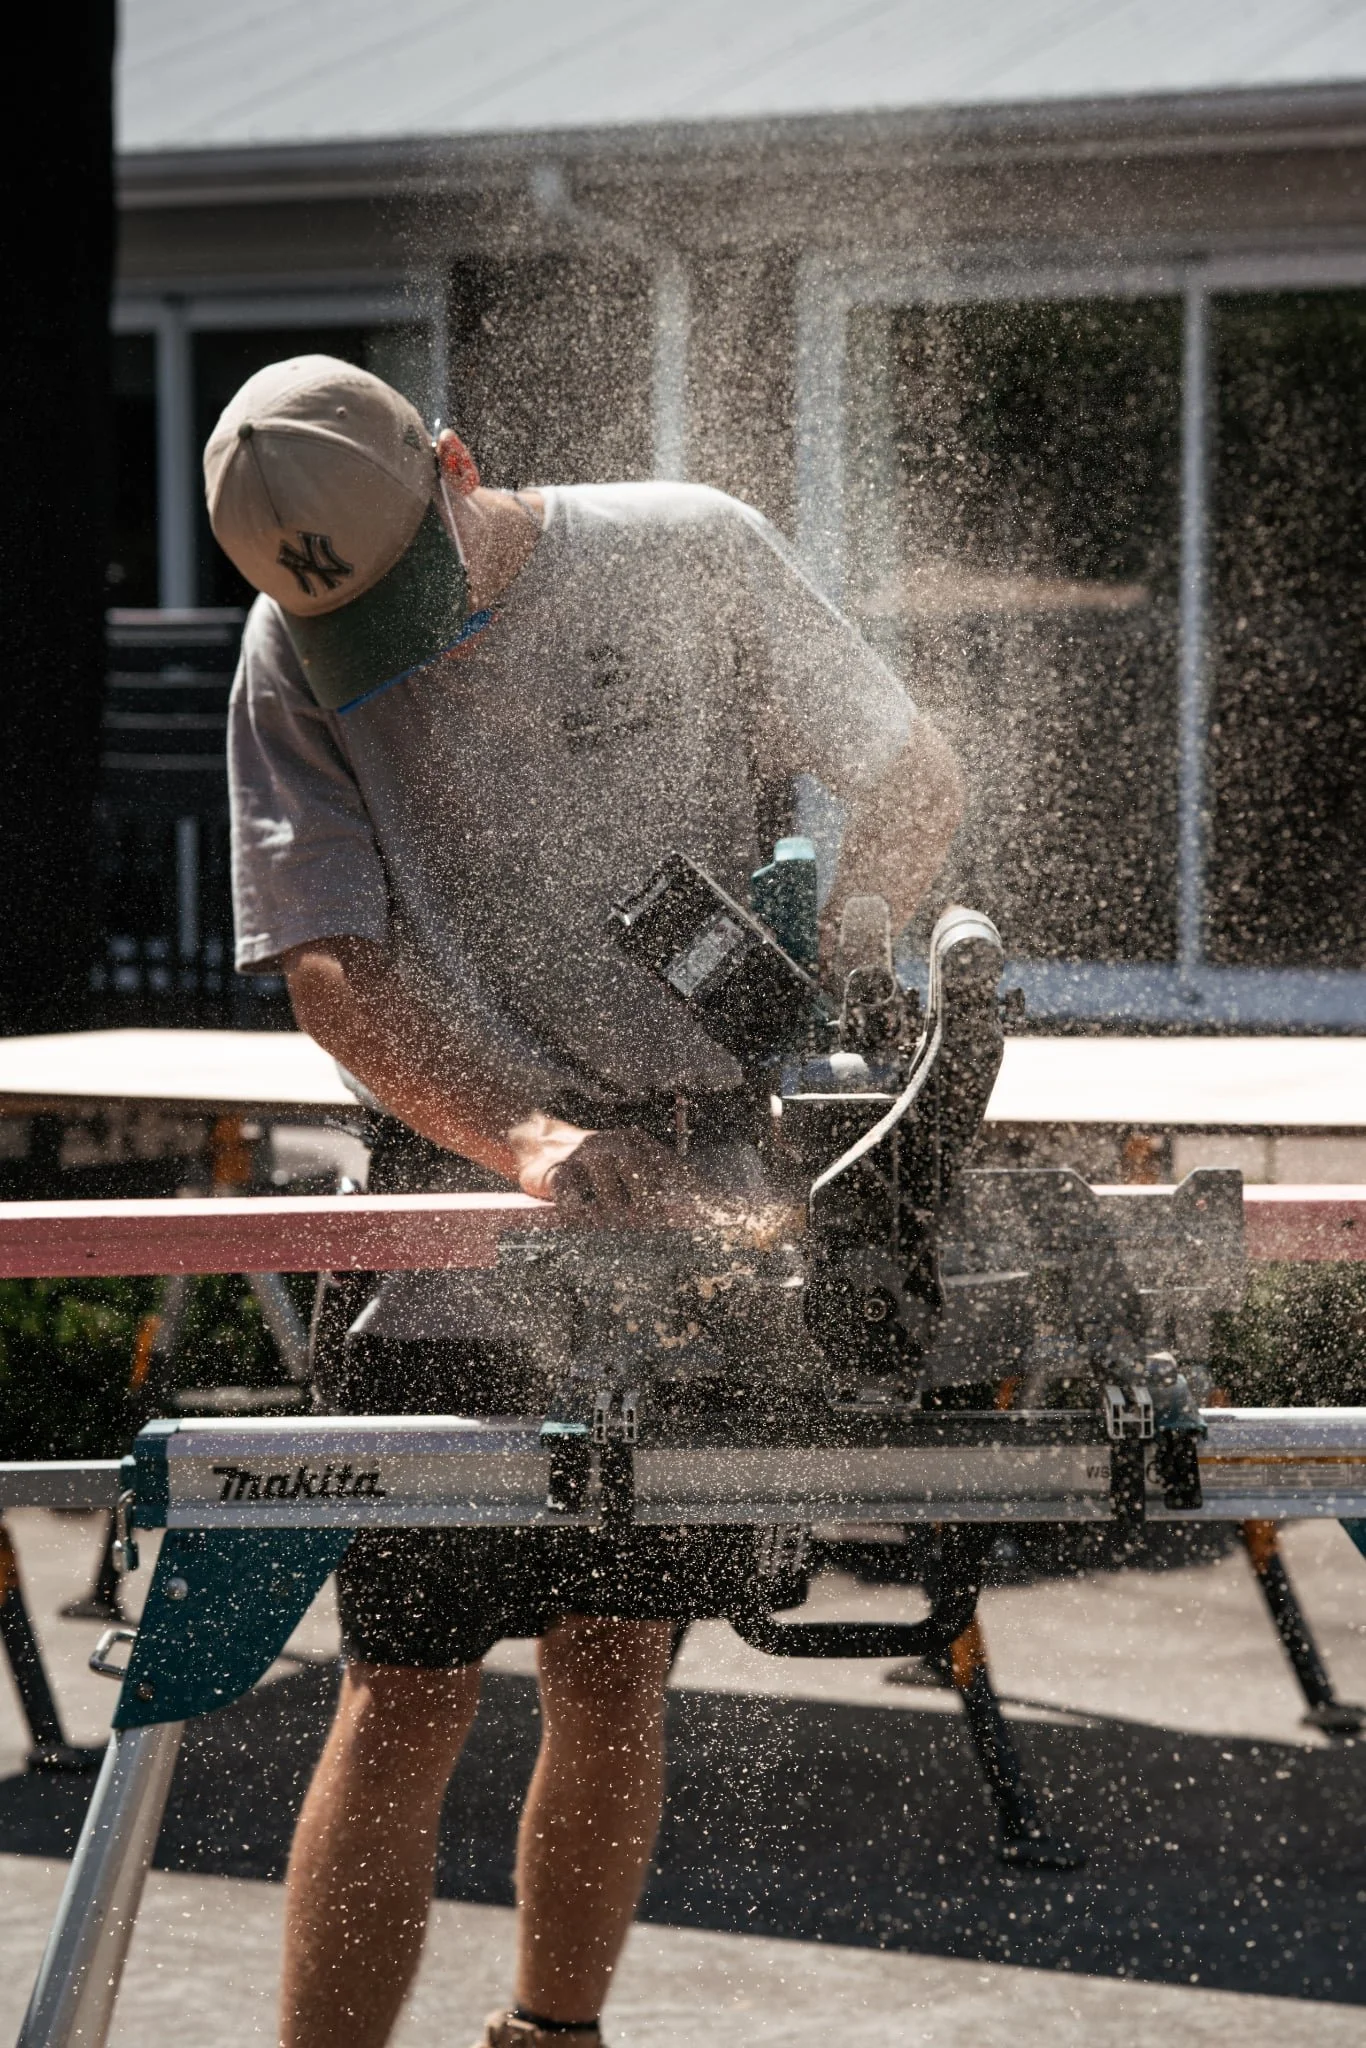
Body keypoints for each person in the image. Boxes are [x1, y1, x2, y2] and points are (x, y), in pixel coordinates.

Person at [206, 354, 965, 2048]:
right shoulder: (291, 642)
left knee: (618, 1662)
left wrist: (832, 970)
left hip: (700, 1190)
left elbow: (913, 773)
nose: (402, 654)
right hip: (453, 1220)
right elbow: (330, 968)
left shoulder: (688, 550)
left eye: (409, 594)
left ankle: (555, 2037)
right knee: (399, 1689)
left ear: (459, 469)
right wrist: (527, 1142)